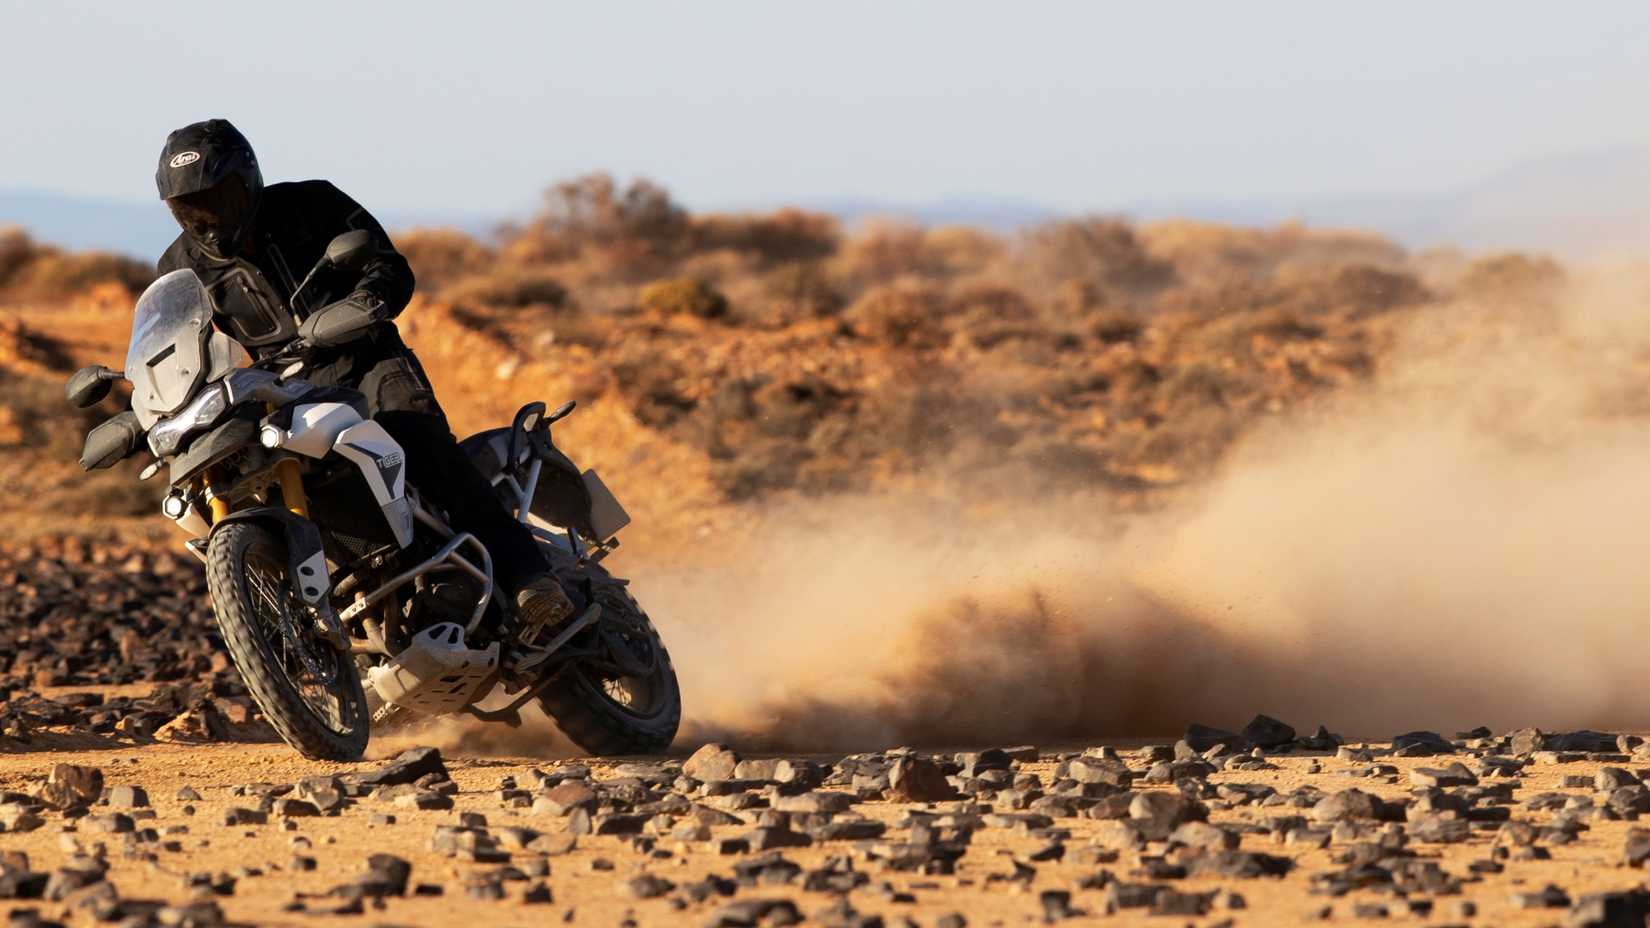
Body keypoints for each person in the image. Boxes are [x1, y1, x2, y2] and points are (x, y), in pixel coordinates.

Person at [153, 118, 572, 648]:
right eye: (193, 208)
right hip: (279, 391)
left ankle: (530, 577)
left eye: (219, 198)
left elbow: (388, 267)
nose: (209, 217)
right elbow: (173, 346)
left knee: (420, 442)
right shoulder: (178, 267)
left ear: (249, 178)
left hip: (366, 361)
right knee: (259, 478)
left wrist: (366, 302)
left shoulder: (312, 204)